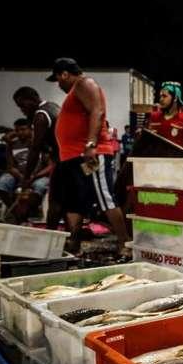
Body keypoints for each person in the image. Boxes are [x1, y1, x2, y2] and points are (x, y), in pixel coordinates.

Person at [46, 58, 130, 259]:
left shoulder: (84, 83)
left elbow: (97, 111)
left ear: (65, 74)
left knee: (104, 196)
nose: (58, 84)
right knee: (75, 201)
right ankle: (74, 243)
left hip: (90, 154)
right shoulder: (76, 91)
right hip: (74, 157)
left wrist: (91, 144)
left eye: (58, 79)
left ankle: (125, 242)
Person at [12, 86, 63, 228]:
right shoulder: (52, 106)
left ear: (32, 99)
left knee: (55, 201)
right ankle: (70, 238)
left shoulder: (41, 115)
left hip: (63, 160)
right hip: (67, 158)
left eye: (22, 105)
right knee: (65, 202)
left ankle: (50, 235)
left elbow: (35, 149)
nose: (22, 110)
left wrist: (27, 177)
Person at [0, 118, 53, 221]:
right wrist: (22, 177)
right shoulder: (12, 145)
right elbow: (10, 167)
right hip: (18, 175)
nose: (19, 133)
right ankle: (16, 212)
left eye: (23, 129)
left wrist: (34, 176)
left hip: (38, 176)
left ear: (31, 129)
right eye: (17, 130)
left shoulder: (39, 143)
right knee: (2, 183)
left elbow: (50, 166)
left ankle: (27, 211)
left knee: (40, 186)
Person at [147, 82, 183, 150]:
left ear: (175, 98)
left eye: (164, 96)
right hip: (155, 159)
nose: (161, 99)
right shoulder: (153, 117)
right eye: (160, 96)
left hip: (177, 160)